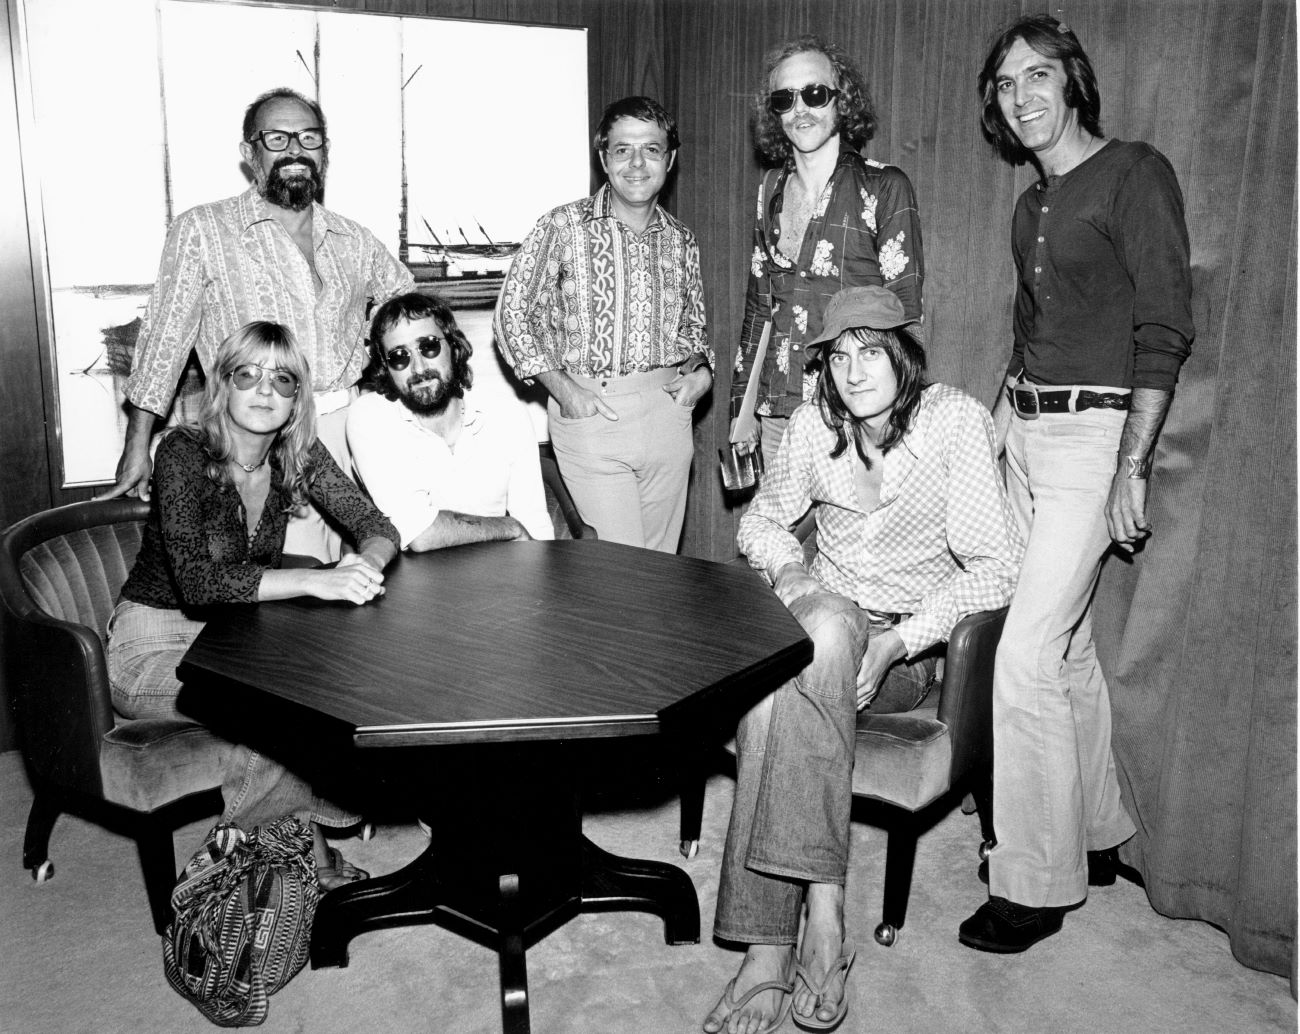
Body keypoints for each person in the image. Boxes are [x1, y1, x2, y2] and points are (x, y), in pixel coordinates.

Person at [705, 287, 1022, 1034]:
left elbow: (994, 567)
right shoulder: (816, 425)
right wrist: (797, 577)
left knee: (775, 691)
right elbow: (761, 523)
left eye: (869, 350)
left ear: (905, 355)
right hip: (821, 618)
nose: (851, 371)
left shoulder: (956, 423)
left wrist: (897, 641)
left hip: (902, 650)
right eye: (838, 355)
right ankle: (824, 911)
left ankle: (764, 947)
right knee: (821, 632)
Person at [958, 15, 1194, 954]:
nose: (1022, 97)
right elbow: (1032, 328)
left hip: (1097, 437)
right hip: (1030, 430)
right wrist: (998, 421)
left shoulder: (1136, 172)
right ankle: (1093, 834)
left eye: (1037, 76)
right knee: (1064, 652)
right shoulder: (1030, 207)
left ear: (1073, 83)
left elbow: (1166, 327)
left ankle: (1034, 882)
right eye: (1006, 86)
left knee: (1022, 658)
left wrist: (1133, 460)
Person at [107, 321, 400, 888]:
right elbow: (197, 582)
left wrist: (365, 566)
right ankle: (286, 870)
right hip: (152, 646)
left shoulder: (299, 452)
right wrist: (314, 582)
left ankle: (288, 860)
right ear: (223, 386)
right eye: (248, 374)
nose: (265, 391)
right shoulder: (183, 452)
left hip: (231, 644)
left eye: (283, 380)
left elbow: (375, 524)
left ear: (296, 400)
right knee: (275, 717)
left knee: (323, 691)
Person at [99, 87, 414, 563]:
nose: (295, 150)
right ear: (250, 153)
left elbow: (407, 313)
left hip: (353, 436)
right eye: (278, 138)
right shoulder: (204, 230)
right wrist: (137, 445)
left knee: (367, 575)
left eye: (309, 138)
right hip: (259, 438)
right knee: (288, 584)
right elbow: (164, 342)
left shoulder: (356, 239)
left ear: (324, 153)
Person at [495, 95, 713, 552]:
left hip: (668, 416)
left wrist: (701, 373)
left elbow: (693, 326)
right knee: (621, 573)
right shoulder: (561, 226)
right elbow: (511, 316)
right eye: (622, 150)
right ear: (604, 158)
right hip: (593, 413)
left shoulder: (681, 239)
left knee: (660, 571)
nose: (637, 163)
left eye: (651, 149)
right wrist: (565, 391)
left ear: (669, 159)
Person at [731, 35, 925, 467]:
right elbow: (759, 309)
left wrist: (895, 418)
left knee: (845, 537)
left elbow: (906, 312)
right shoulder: (770, 191)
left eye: (815, 94)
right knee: (776, 535)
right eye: (785, 99)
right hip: (779, 411)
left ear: (842, 101)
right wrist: (741, 408)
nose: (800, 109)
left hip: (854, 412)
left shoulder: (884, 186)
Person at [347, 292, 553, 549]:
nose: (419, 368)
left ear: (454, 347)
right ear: (385, 368)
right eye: (399, 356)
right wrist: (510, 527)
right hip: (414, 579)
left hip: (500, 572)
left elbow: (535, 524)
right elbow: (419, 532)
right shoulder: (370, 418)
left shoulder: (506, 414)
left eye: (429, 346)